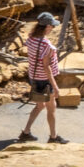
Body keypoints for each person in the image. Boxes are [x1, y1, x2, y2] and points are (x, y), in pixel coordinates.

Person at [18, 12, 69, 144]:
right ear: (46, 27)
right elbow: (47, 67)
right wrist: (55, 86)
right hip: (44, 80)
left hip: (33, 77)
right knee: (51, 108)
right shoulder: (47, 45)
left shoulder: (31, 38)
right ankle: (53, 137)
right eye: (51, 26)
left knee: (40, 106)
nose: (52, 28)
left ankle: (26, 132)